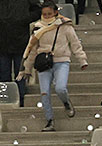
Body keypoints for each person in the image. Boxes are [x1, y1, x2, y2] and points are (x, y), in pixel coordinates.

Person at [20, 2, 87, 132]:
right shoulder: (37, 27)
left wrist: (82, 60)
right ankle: (49, 120)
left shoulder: (65, 25)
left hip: (62, 60)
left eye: (49, 14)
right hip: (43, 62)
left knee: (60, 88)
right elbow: (32, 50)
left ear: (56, 12)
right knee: (44, 93)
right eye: (44, 14)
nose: (46, 16)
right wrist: (27, 69)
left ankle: (66, 102)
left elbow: (75, 44)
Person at [0, 0, 40, 107]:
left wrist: (23, 18)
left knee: (20, 73)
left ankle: (21, 101)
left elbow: (37, 10)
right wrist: (1, 19)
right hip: (3, 38)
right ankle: (6, 100)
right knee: (4, 73)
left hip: (20, 39)